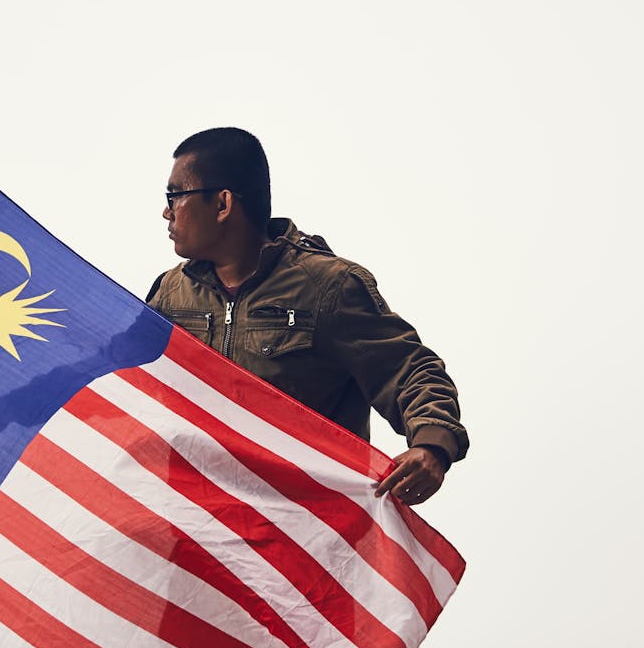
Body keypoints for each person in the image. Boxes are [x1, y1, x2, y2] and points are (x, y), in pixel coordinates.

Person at [146, 127, 468, 505]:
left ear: (222, 204)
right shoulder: (170, 294)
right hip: (197, 528)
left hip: (301, 531)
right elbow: (114, 374)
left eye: (175, 195)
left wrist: (433, 445)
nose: (167, 211)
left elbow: (410, 371)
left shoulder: (328, 287)